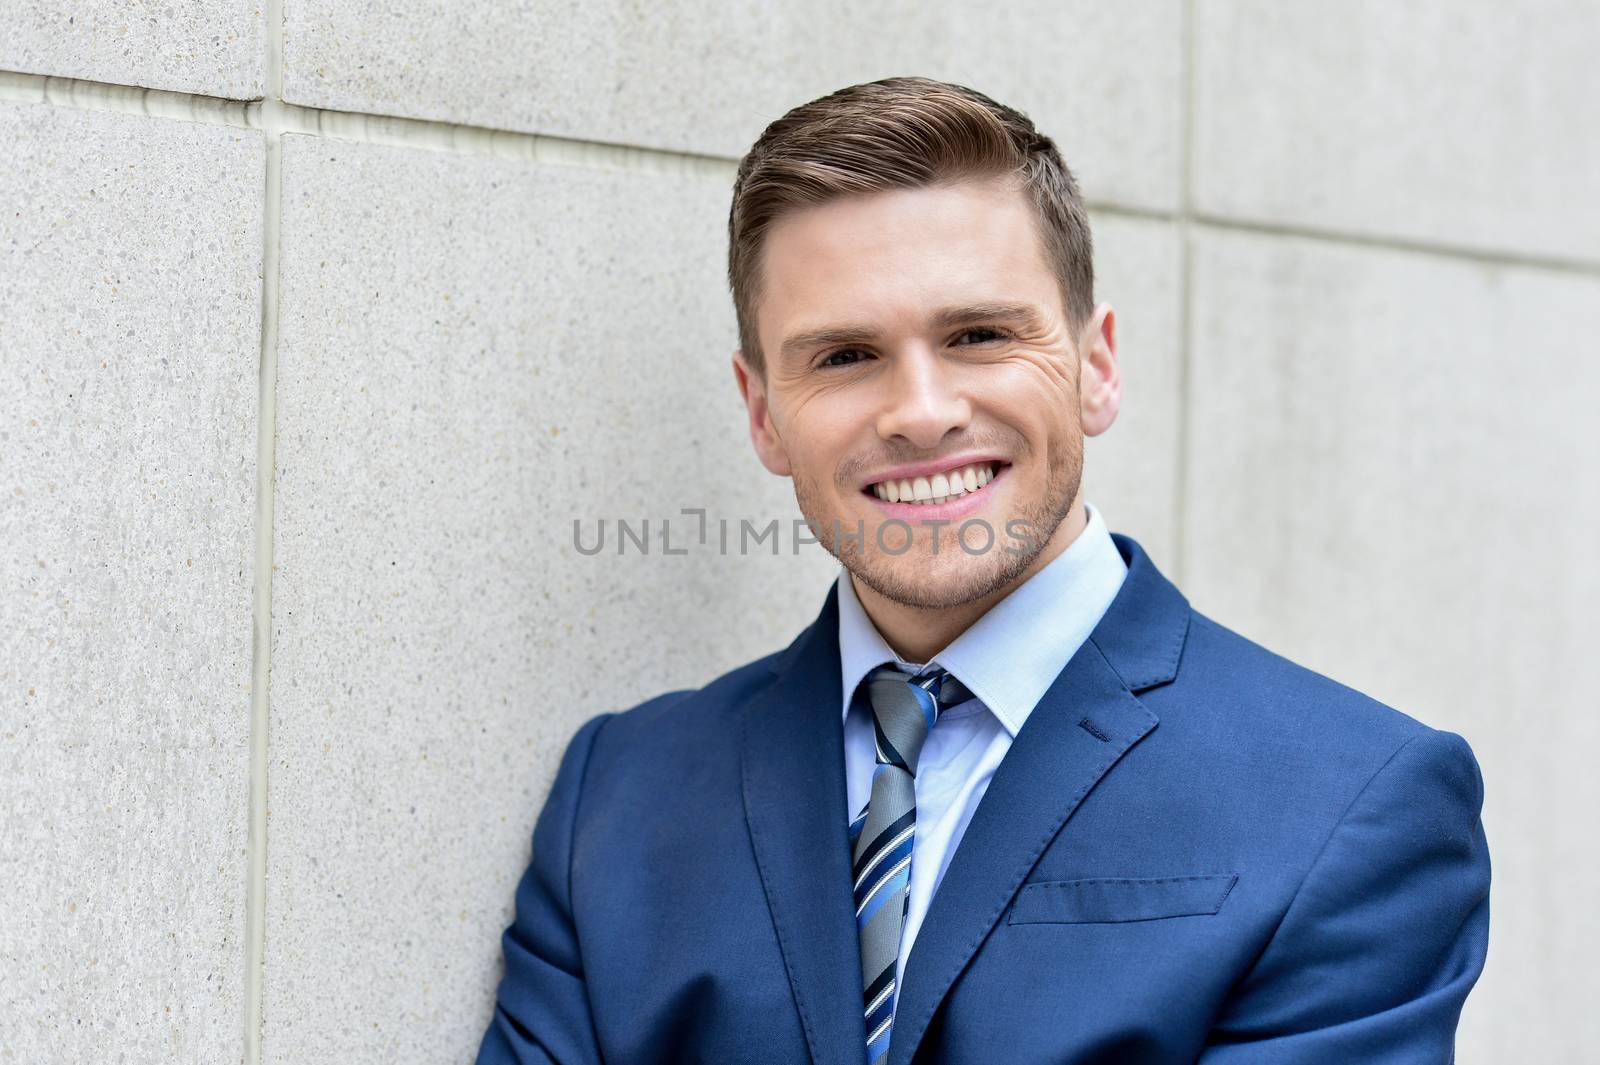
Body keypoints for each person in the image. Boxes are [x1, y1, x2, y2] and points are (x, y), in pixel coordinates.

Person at [475, 76, 1491, 1065]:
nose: (919, 411)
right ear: (760, 414)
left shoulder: (1348, 798)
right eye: (842, 356)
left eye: (978, 335)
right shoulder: (618, 797)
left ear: (1096, 366)